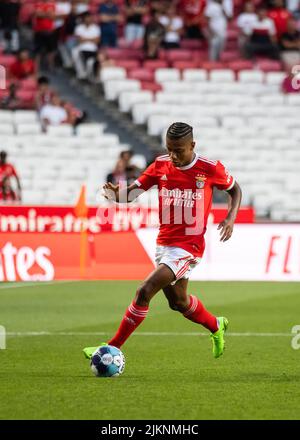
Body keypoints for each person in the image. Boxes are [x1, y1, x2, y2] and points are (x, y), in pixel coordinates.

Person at [83, 122, 242, 360]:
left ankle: (111, 348)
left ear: (192, 145)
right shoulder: (161, 165)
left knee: (144, 291)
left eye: (179, 150)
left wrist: (230, 217)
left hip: (190, 247)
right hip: (164, 243)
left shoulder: (209, 168)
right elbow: (133, 193)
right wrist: (116, 194)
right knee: (178, 302)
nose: (174, 156)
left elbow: (235, 189)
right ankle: (216, 326)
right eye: (170, 149)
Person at [72, 11, 101, 80]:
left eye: (89, 18)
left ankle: (92, 76)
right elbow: (79, 40)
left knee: (93, 62)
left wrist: (84, 39)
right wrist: (91, 39)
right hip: (82, 49)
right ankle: (81, 75)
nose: (88, 19)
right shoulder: (79, 28)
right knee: (76, 54)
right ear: (83, 19)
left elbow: (97, 41)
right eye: (86, 18)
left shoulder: (96, 28)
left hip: (93, 50)